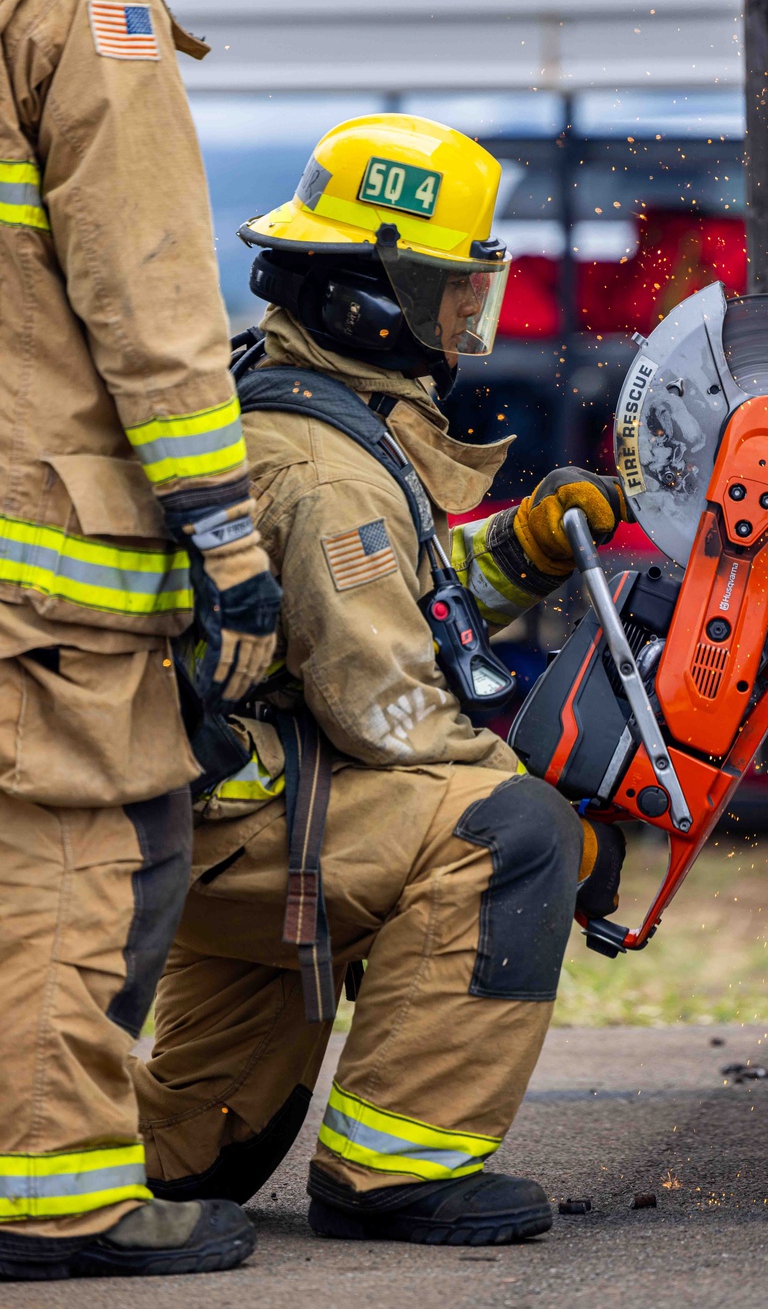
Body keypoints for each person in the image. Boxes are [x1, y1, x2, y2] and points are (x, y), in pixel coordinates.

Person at [132, 113, 628, 1247]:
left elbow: (373, 605)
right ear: (368, 295)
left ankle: (115, 1151)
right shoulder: (321, 466)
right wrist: (555, 825)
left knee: (200, 1144)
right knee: (509, 831)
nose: (466, 318)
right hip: (254, 826)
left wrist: (523, 549)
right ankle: (399, 1169)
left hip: (221, 804)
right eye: (447, 290)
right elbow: (388, 705)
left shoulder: (292, 399)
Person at [0, 0, 281, 1282]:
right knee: (68, 851)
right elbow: (149, 284)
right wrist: (226, 533)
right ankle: (55, 1200)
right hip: (37, 548)